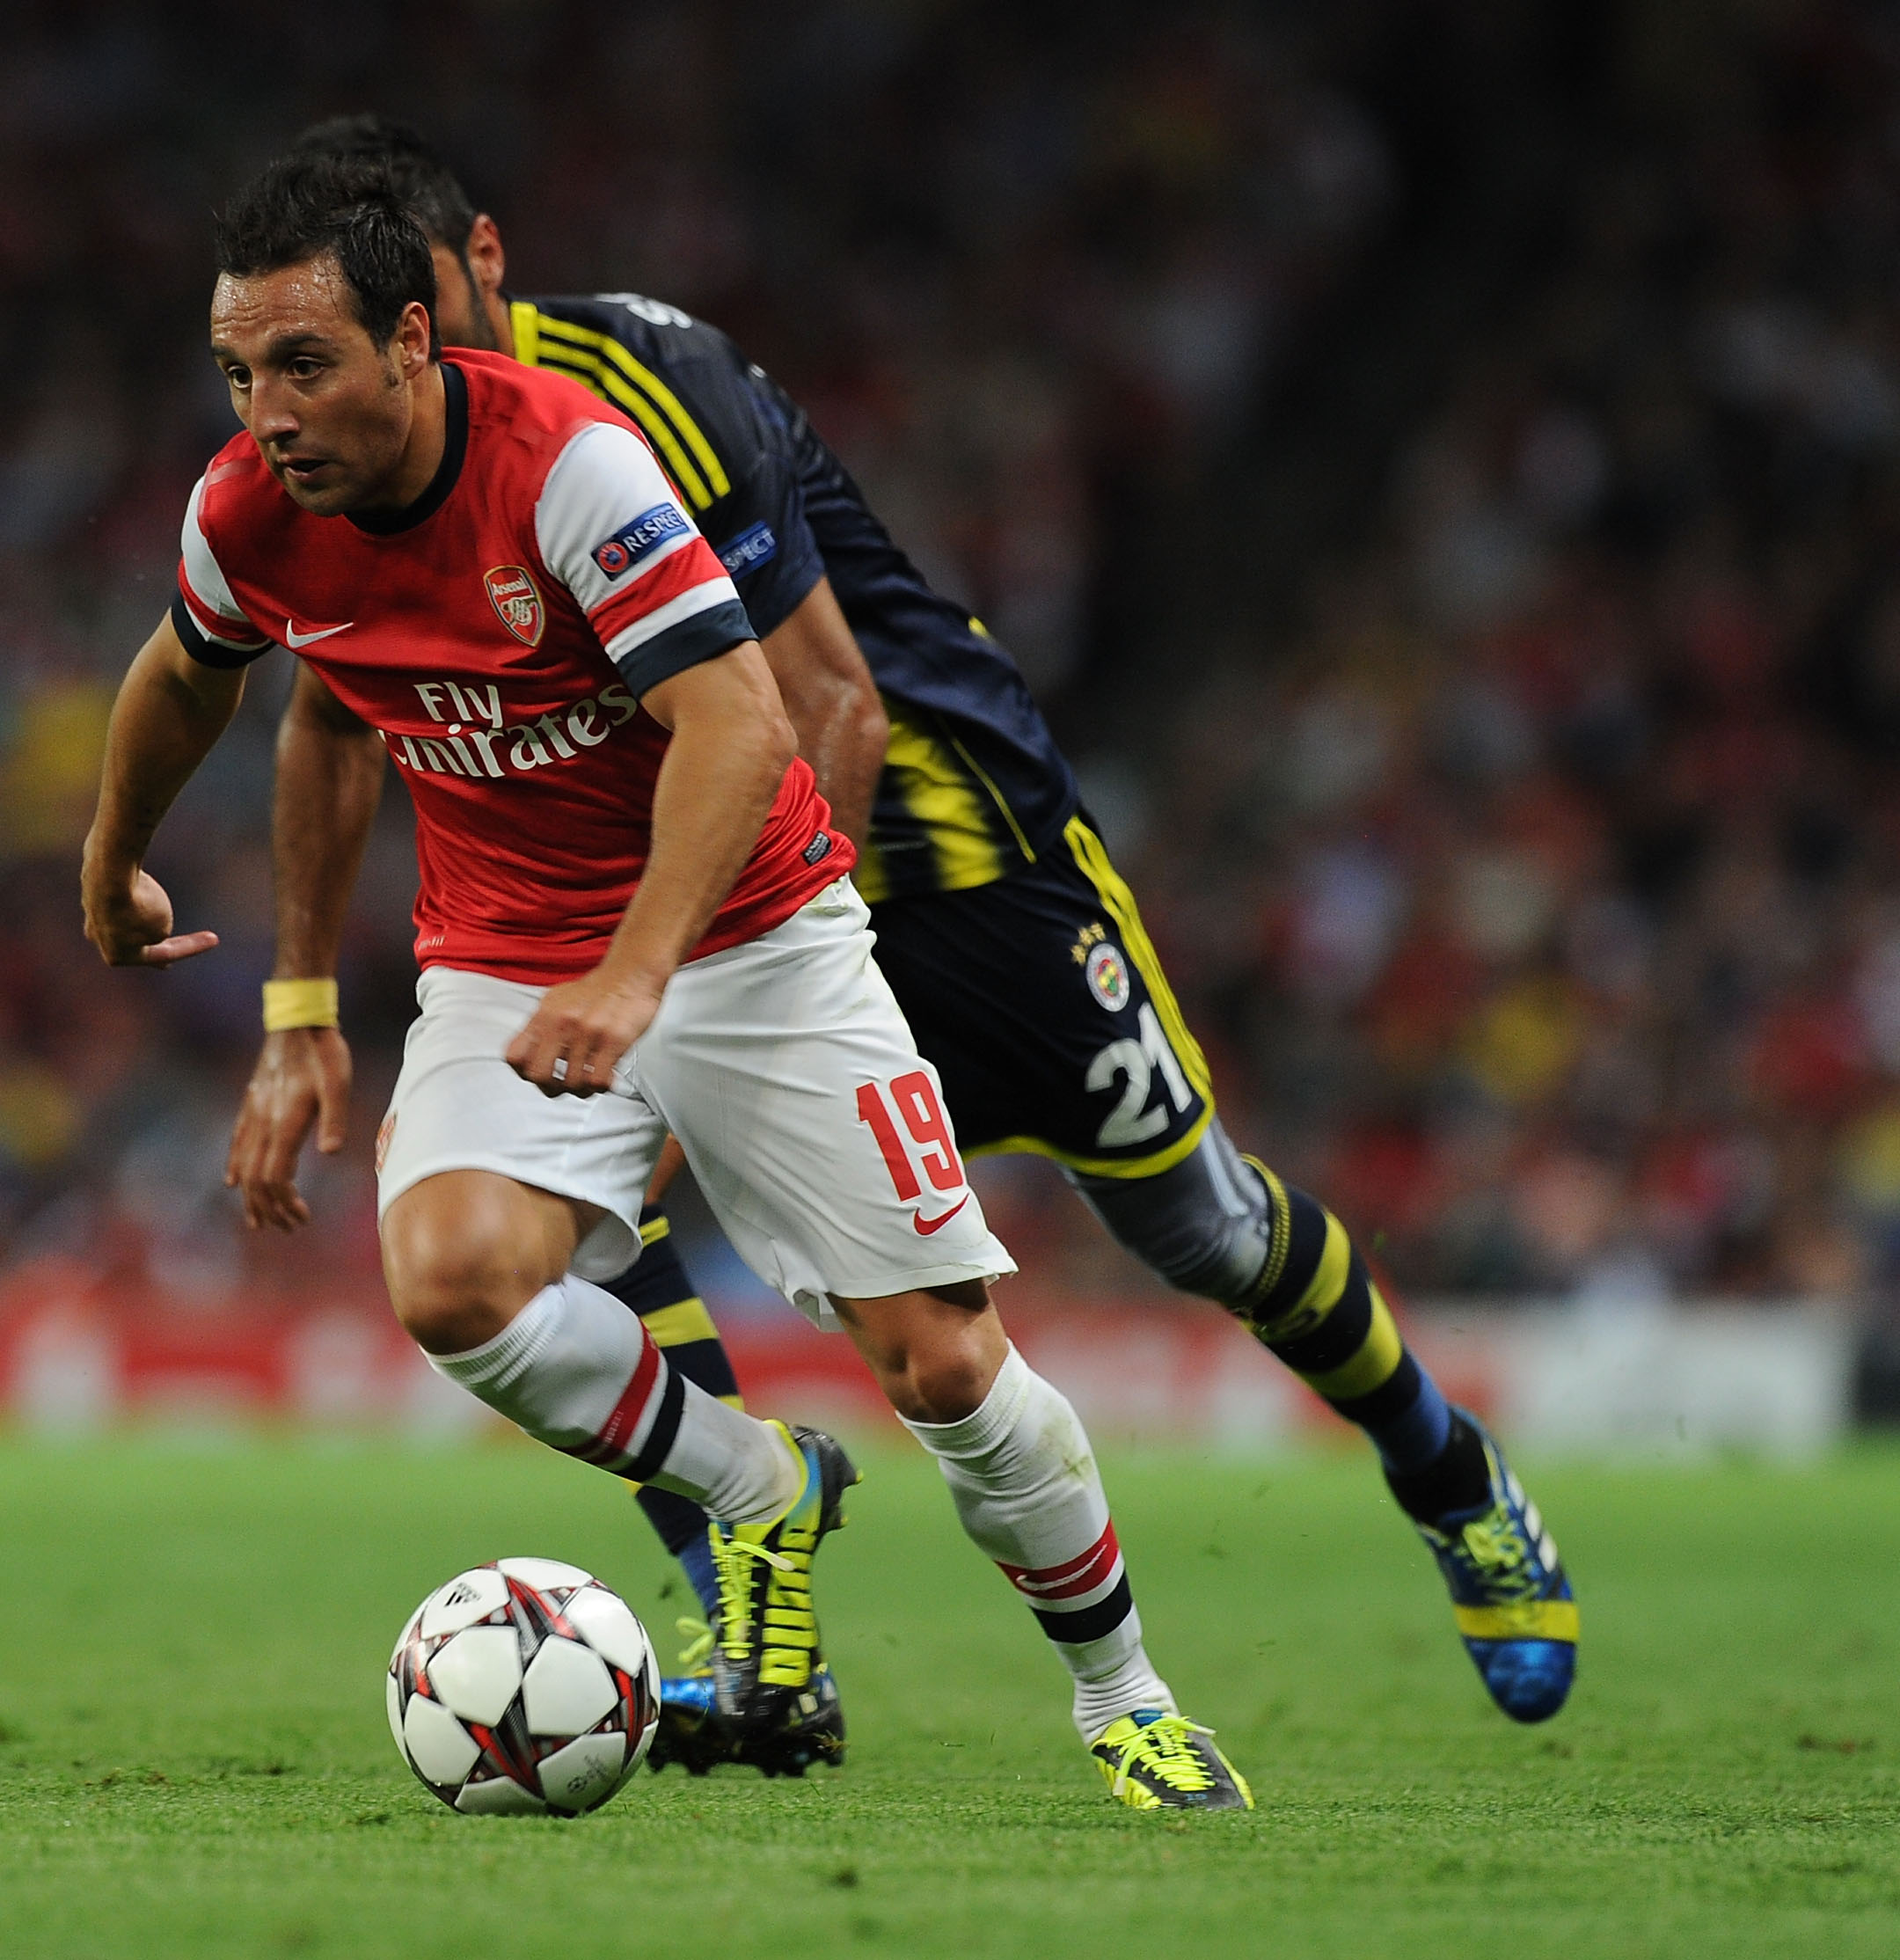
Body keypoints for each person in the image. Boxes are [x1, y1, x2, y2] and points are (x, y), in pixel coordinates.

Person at [225, 117, 1578, 1775]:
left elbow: (829, 705)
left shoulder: (642, 392)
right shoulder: (376, 467)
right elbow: (337, 705)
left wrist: (754, 985)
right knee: (572, 1229)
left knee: (1200, 1224)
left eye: (423, 316)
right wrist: (321, 999)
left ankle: (1447, 1471)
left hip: (939, 851)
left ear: (475, 269)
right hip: (670, 885)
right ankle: (757, 1637)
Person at [85, 150, 1252, 1813]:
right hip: (507, 953)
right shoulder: (247, 513)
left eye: (303, 364)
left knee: (942, 1364)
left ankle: (1126, 1698)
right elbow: (185, 675)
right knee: (452, 1281)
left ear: (412, 343)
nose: (266, 413)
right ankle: (760, 1485)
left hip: (754, 933)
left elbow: (744, 719)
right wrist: (111, 854)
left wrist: (638, 981)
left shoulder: (570, 467)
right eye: (236, 372)